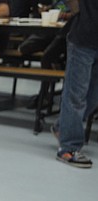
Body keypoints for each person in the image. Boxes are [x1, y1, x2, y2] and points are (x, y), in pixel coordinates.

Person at [52, 0, 97, 168]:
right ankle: (68, 147)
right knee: (76, 95)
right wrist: (77, 9)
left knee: (93, 96)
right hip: (84, 37)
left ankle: (62, 126)